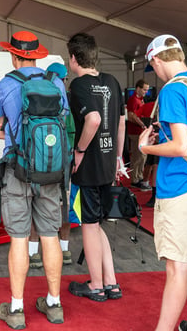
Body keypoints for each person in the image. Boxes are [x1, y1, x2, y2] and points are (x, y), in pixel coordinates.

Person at [138, 34, 187, 331]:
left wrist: (147, 149)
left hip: (180, 185)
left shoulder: (172, 90)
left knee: (177, 266)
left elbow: (182, 147)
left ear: (156, 60)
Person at [0, 31, 67, 328]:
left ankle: (17, 309)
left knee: (20, 238)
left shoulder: (6, 85)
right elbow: (62, 124)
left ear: (13, 55)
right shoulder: (56, 83)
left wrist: (13, 129)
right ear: (37, 55)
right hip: (51, 171)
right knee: (50, 236)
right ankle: (54, 304)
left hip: (18, 170)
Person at [65, 32, 125, 302]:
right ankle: (111, 282)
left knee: (89, 224)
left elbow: (93, 119)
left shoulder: (78, 85)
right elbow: (120, 123)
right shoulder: (112, 81)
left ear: (74, 58)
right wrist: (118, 158)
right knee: (97, 222)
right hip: (109, 161)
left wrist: (79, 151)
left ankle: (97, 285)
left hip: (88, 165)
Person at [28, 61, 74, 268]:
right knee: (64, 206)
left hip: (37, 163)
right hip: (64, 164)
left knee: (34, 206)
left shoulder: (32, 103)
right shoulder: (67, 109)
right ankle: (64, 251)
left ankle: (33, 253)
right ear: (63, 80)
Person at [127, 79, 152, 191]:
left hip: (140, 131)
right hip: (135, 132)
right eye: (144, 89)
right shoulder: (133, 100)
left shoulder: (140, 100)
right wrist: (142, 124)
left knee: (142, 156)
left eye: (147, 90)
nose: (146, 92)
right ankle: (135, 179)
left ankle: (138, 177)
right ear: (138, 88)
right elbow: (131, 115)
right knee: (138, 156)